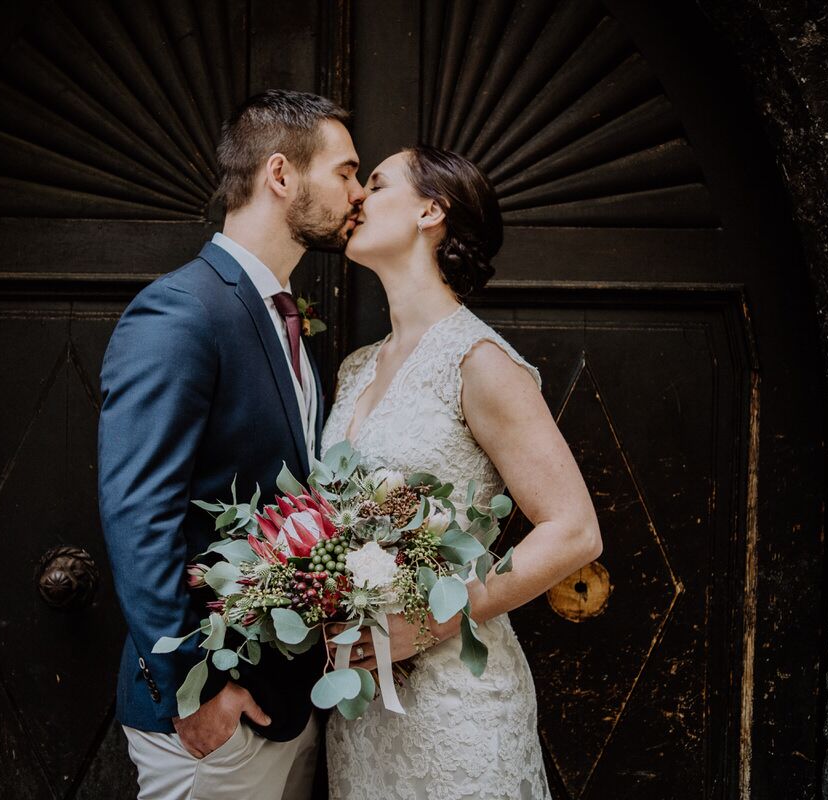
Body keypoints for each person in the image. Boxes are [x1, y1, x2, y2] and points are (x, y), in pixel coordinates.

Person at [97, 90, 366, 800]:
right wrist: (197, 687)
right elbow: (138, 513)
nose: (357, 191)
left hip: (285, 703)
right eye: (345, 171)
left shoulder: (281, 317)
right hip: (211, 721)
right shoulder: (181, 310)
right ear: (281, 175)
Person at [321, 145, 603, 799]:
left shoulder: (478, 361)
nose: (357, 196)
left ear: (430, 210)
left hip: (457, 702)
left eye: (378, 182)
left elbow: (576, 532)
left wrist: (432, 621)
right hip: (364, 708)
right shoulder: (356, 368)